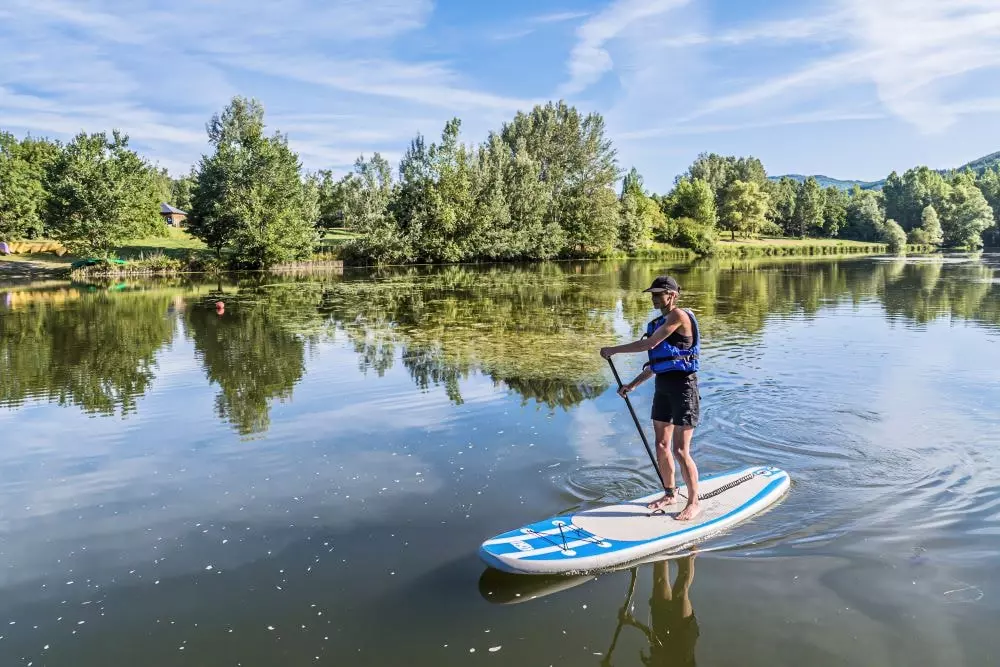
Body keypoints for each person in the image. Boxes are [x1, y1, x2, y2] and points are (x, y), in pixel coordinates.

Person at [600, 275, 702, 521]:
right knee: (661, 445)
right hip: (663, 387)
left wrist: (613, 349)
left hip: (683, 388)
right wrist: (632, 385)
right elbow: (657, 363)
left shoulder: (679, 316)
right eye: (652, 294)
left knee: (680, 449)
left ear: (672, 295)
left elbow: (651, 345)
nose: (654, 298)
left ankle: (694, 502)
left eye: (658, 294)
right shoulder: (657, 322)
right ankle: (670, 493)